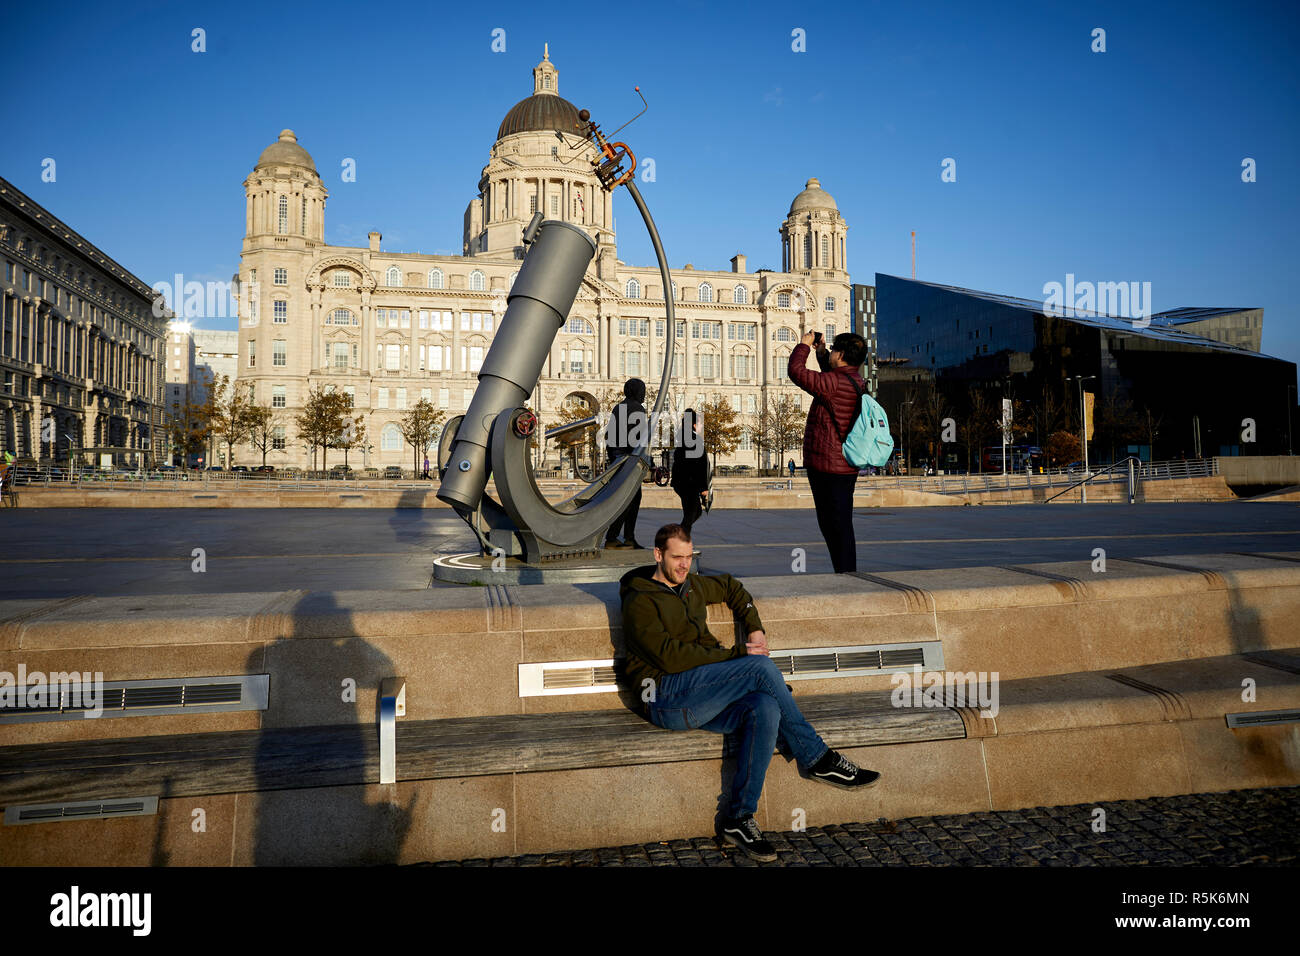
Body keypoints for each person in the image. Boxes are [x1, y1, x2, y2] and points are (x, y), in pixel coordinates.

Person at [619, 523, 880, 860]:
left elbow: (731, 586)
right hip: (665, 697)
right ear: (658, 555)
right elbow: (670, 657)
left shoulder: (691, 585)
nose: (684, 565)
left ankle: (739, 818)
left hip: (702, 693)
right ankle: (817, 758)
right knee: (759, 669)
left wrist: (754, 627)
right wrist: (736, 656)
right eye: (676, 558)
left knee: (765, 708)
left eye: (689, 557)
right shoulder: (639, 599)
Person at [787, 331, 869, 573]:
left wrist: (803, 346)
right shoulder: (854, 381)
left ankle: (847, 573)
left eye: (833, 350)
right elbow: (831, 380)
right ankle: (845, 571)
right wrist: (821, 353)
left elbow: (797, 372)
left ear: (841, 354)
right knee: (839, 522)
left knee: (835, 524)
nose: (831, 353)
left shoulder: (834, 384)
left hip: (828, 465)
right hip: (844, 465)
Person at [604, 378, 648, 549]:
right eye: (642, 390)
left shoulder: (618, 408)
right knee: (631, 499)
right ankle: (617, 536)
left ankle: (624, 536)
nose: (644, 394)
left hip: (617, 458)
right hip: (630, 460)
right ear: (636, 391)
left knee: (627, 498)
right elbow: (639, 439)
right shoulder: (638, 409)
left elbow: (610, 437)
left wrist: (613, 457)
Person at [670, 409, 709, 534]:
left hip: (681, 482)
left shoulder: (682, 437)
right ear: (693, 424)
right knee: (692, 513)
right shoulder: (693, 439)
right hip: (689, 483)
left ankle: (681, 541)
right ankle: (679, 541)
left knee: (693, 512)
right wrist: (703, 487)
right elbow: (699, 465)